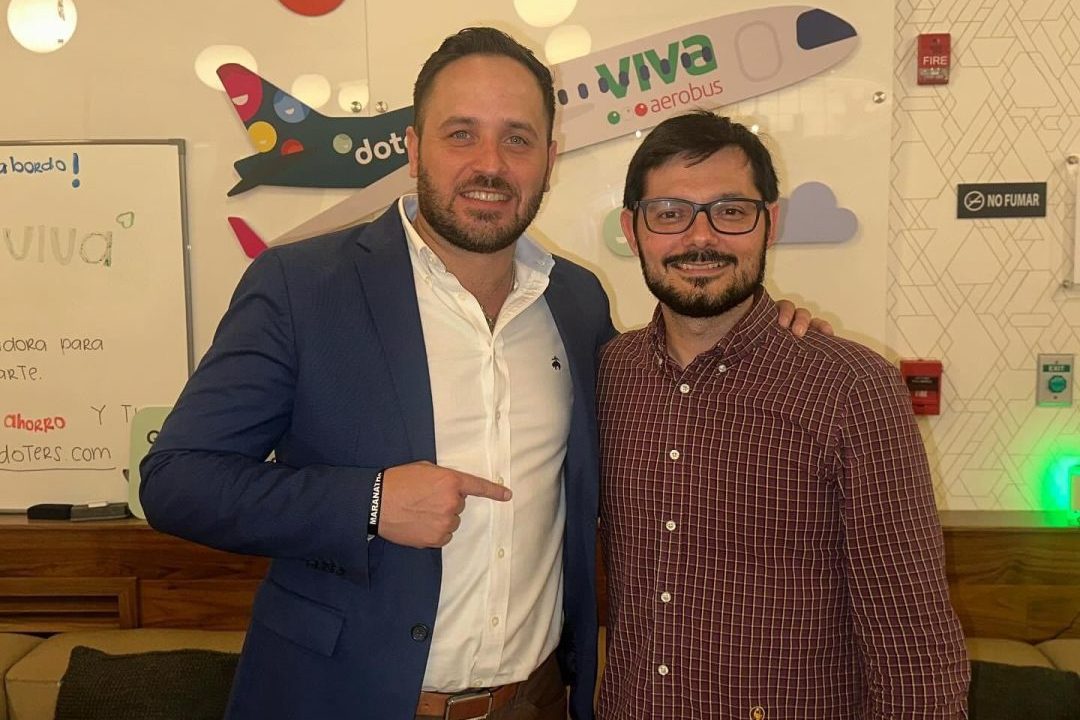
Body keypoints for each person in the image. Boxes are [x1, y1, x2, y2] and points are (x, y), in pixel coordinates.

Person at [141, 29, 816, 720]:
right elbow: (176, 479)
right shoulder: (301, 286)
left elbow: (666, 385)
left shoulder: (576, 301)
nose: (489, 164)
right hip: (344, 700)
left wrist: (760, 331)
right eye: (461, 134)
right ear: (413, 148)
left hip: (537, 702)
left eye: (517, 139)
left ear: (549, 159)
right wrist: (368, 502)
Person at [597, 111, 970, 719]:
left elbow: (912, 640)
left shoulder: (851, 388)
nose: (700, 237)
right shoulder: (610, 374)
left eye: (731, 211)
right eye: (669, 213)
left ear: (769, 224)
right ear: (632, 230)